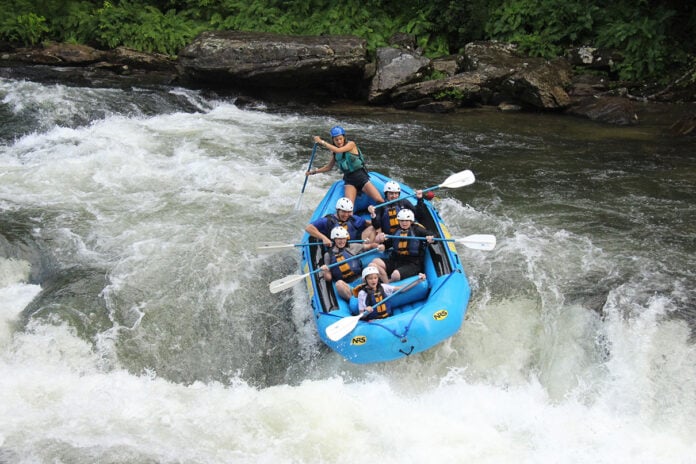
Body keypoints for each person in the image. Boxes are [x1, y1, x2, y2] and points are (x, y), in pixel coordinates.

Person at [306, 126, 385, 205]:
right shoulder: (334, 153)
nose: (339, 141)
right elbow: (328, 167)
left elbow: (338, 150)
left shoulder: (351, 144)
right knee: (348, 207)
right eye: (336, 140)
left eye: (340, 139)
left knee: (379, 200)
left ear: (344, 138)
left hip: (361, 177)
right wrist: (313, 172)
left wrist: (321, 142)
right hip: (349, 180)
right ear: (333, 140)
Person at [370, 208, 435, 283]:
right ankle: (382, 280)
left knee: (395, 275)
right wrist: (383, 246)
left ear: (411, 221)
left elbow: (433, 235)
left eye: (407, 221)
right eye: (402, 220)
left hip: (412, 263)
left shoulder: (417, 230)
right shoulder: (397, 230)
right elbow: (389, 243)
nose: (404, 223)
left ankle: (388, 282)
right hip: (396, 260)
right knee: (375, 262)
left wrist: (432, 238)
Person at [320, 227, 384, 300]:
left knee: (372, 266)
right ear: (334, 239)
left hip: (361, 278)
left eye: (343, 238)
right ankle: (355, 300)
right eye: (339, 239)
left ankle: (380, 289)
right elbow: (329, 278)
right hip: (348, 284)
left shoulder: (351, 247)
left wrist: (378, 246)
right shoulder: (328, 255)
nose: (342, 241)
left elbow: (370, 246)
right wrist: (325, 270)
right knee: (338, 284)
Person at [354, 266, 425, 320]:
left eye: (375, 278)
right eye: (370, 278)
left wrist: (417, 281)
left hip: (388, 317)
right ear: (365, 280)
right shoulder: (362, 293)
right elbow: (362, 315)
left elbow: (402, 289)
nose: (373, 281)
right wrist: (366, 311)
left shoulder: (383, 287)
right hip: (373, 321)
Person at [305, 197, 377, 247]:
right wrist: (324, 238)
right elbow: (309, 228)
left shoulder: (353, 219)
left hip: (354, 245)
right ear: (338, 210)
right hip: (338, 247)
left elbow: (369, 223)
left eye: (348, 212)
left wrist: (375, 216)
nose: (346, 215)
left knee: (373, 227)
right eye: (343, 212)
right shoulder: (327, 221)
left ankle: (372, 246)